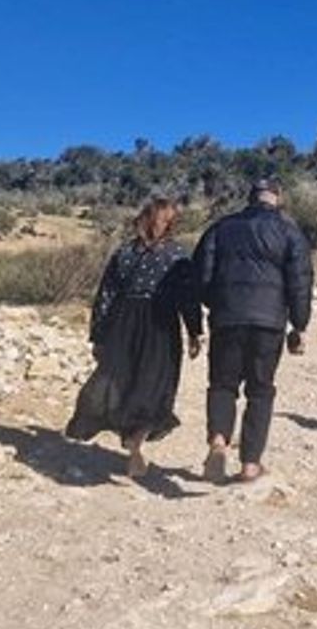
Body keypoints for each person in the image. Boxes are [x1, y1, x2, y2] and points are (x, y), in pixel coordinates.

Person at [65, 198, 202, 477]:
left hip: (123, 323)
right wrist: (194, 330)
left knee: (121, 379)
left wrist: (99, 335)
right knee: (155, 384)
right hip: (160, 324)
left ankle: (128, 436)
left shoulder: (124, 252)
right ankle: (136, 441)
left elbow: (106, 296)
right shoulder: (177, 254)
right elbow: (188, 297)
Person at [193, 177, 313, 482]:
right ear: (278, 198)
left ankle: (219, 442)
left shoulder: (220, 228)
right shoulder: (290, 231)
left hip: (226, 318)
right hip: (269, 322)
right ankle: (250, 464)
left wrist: (215, 304)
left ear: (250, 198)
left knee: (222, 384)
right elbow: (300, 282)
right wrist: (299, 325)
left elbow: (201, 276)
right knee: (260, 390)